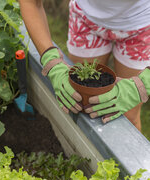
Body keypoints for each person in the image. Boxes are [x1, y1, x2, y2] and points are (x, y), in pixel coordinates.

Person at [18, 0, 150, 131]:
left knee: (128, 117)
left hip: (142, 24)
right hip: (86, 19)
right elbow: (30, 2)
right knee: (81, 101)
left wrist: (143, 84)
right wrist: (51, 61)